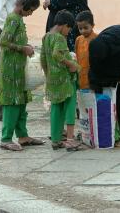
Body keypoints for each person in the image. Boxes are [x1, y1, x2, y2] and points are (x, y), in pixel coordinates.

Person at [0, 0, 44, 151]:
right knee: (12, 104)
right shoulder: (13, 20)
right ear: (23, 6)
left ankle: (23, 136)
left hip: (20, 68)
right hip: (11, 69)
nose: (30, 14)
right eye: (30, 10)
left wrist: (27, 47)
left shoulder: (19, 19)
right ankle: (6, 138)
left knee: (22, 102)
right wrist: (22, 48)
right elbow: (3, 41)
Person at [41, 10, 82, 151]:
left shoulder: (46, 36)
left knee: (56, 108)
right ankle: (70, 139)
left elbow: (43, 59)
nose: (69, 32)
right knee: (70, 107)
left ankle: (56, 140)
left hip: (52, 79)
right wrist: (71, 64)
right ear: (64, 25)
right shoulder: (59, 38)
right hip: (65, 79)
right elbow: (57, 54)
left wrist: (48, 75)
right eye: (69, 29)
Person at [75, 10, 98, 89]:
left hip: (93, 76)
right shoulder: (78, 39)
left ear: (92, 25)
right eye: (80, 28)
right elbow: (77, 56)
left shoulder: (97, 39)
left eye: (85, 28)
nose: (83, 31)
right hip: (81, 75)